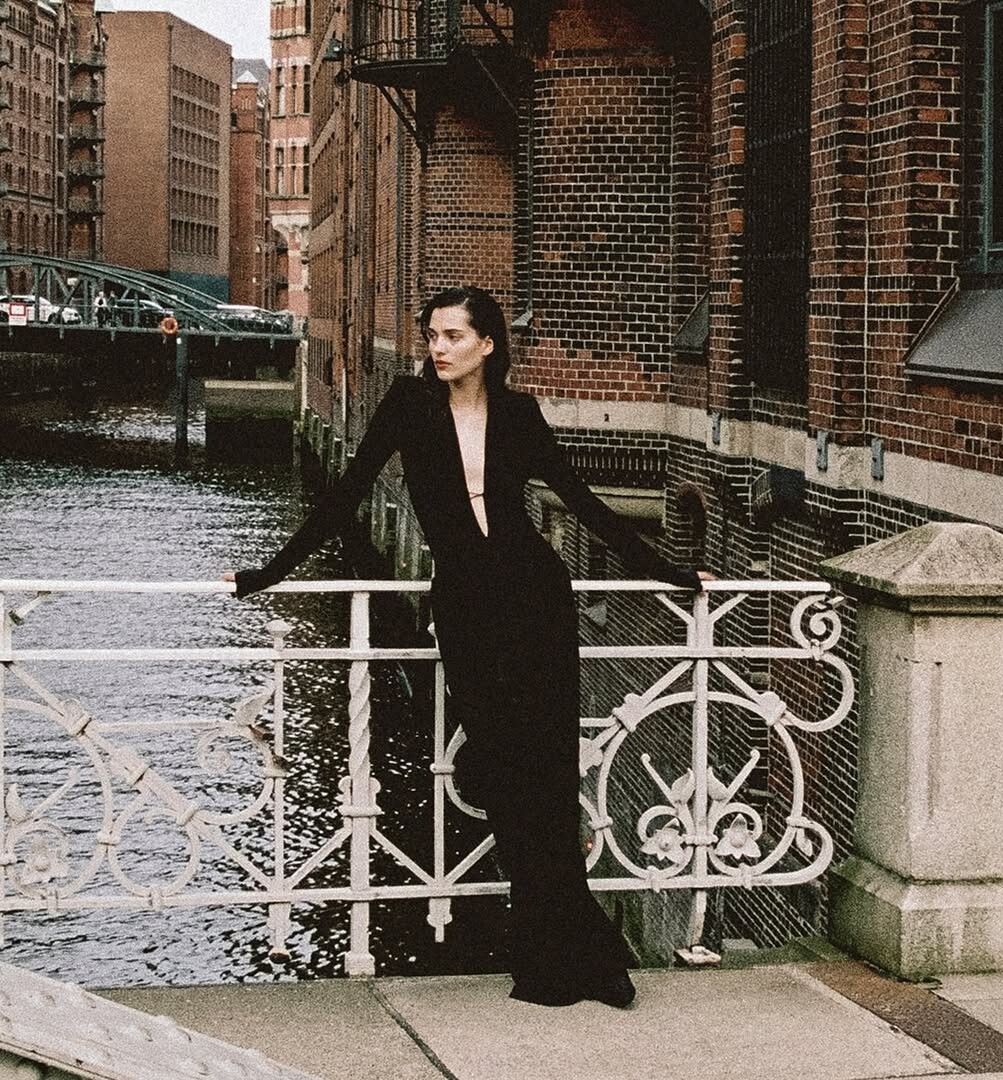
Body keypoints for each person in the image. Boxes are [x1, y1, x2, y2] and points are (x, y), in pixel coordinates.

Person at [224, 286, 712, 1008]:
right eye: (432, 336)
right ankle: (557, 956)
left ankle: (583, 960)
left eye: (453, 336)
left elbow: (583, 503)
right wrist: (266, 573)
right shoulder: (408, 406)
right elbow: (346, 494)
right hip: (468, 609)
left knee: (548, 778)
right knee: (507, 777)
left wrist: (671, 573)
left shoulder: (519, 414)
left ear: (487, 344)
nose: (438, 348)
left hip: (536, 601)